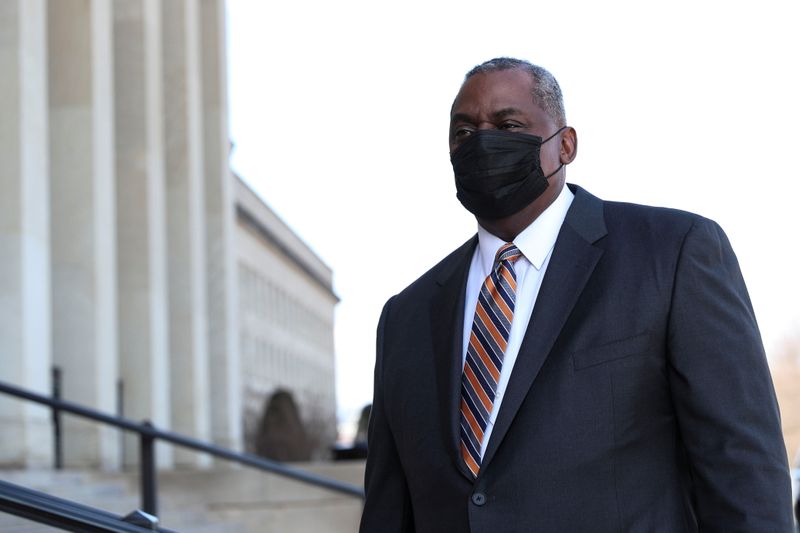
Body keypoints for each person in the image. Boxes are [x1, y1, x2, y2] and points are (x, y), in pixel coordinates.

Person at [359, 57, 794, 532]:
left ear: (564, 144)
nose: (482, 142)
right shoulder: (405, 316)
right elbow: (388, 508)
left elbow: (742, 466)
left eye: (508, 124)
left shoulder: (671, 253)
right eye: (464, 133)